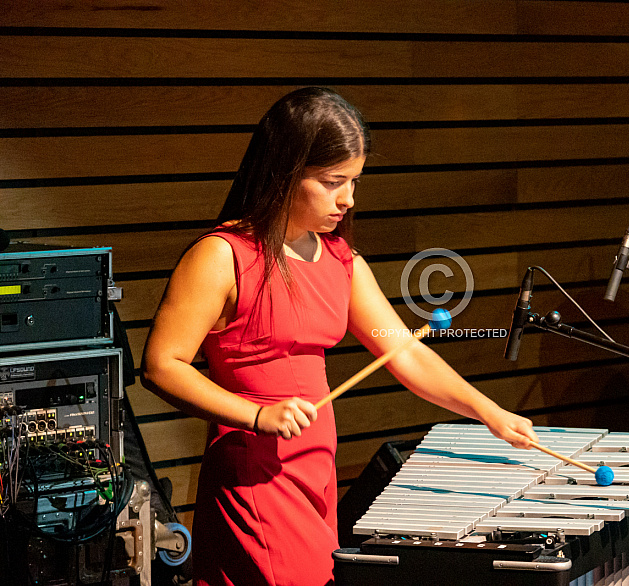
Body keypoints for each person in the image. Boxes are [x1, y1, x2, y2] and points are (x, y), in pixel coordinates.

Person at [140, 87, 537, 586]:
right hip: (255, 471)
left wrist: (489, 413)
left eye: (354, 181)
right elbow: (161, 365)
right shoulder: (223, 254)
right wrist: (257, 414)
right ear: (286, 172)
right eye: (333, 182)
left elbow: (405, 353)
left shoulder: (341, 261)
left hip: (316, 470)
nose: (348, 199)